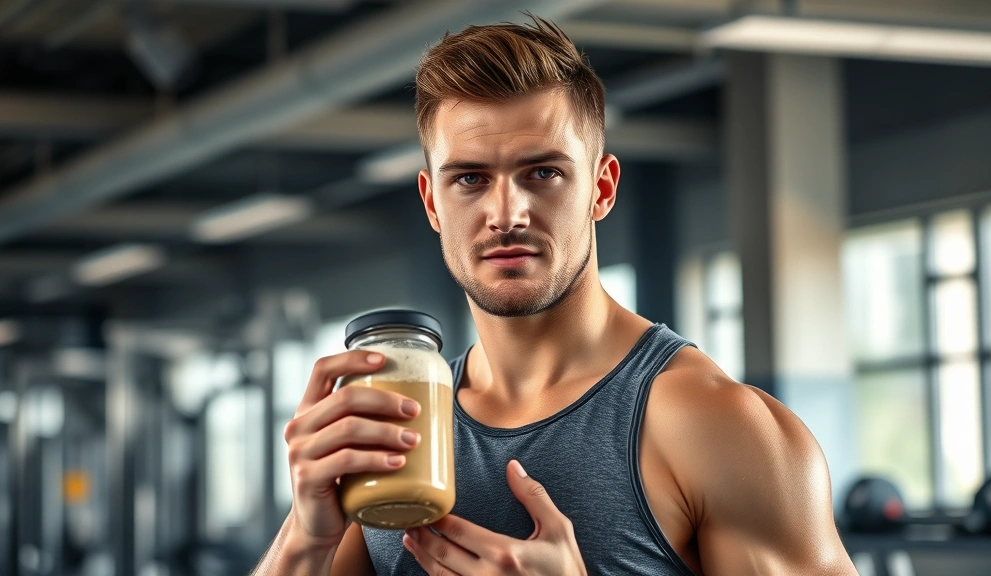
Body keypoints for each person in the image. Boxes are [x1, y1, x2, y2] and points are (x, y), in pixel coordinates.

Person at [252, 16, 858, 576]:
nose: (506, 213)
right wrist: (307, 537)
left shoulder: (716, 426)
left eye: (543, 173)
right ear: (433, 202)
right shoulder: (401, 428)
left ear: (600, 187)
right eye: (469, 179)